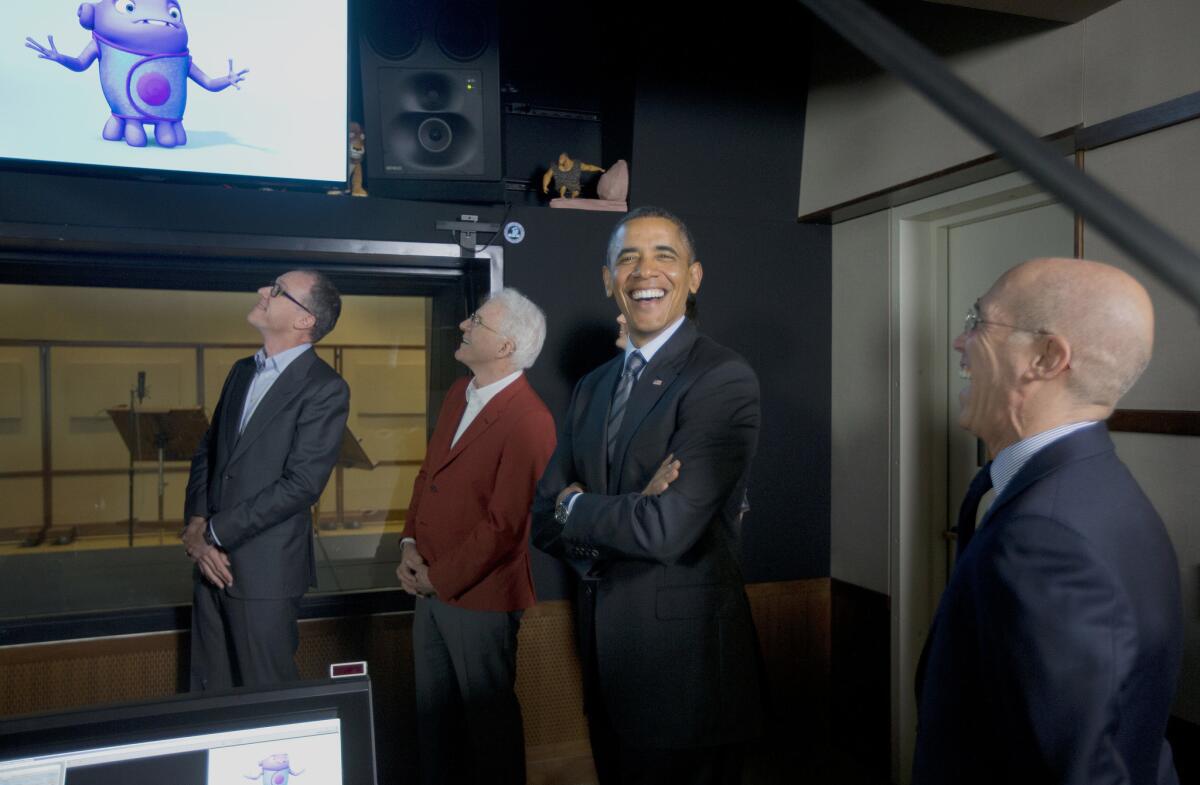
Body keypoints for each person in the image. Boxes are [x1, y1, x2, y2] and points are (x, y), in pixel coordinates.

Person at [913, 257, 1183, 784]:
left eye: (978, 322)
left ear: (1046, 357)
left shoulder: (1045, 539)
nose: (959, 342)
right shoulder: (1101, 488)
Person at [532, 206, 764, 785]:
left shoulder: (721, 378)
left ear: (694, 276)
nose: (645, 270)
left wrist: (577, 507)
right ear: (608, 280)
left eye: (665, 255)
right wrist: (614, 506)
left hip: (685, 679)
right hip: (605, 664)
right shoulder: (593, 387)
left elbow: (667, 529)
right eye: (627, 258)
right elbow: (541, 515)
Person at [397, 288, 556, 785]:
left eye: (477, 322)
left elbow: (506, 527)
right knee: (433, 722)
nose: (464, 326)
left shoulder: (532, 420)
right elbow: (429, 476)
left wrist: (435, 579)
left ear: (506, 347)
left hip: (480, 597)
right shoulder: (456, 394)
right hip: (430, 586)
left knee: (489, 734)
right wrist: (407, 547)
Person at [183, 269, 349, 690]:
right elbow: (209, 450)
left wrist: (216, 532)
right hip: (209, 567)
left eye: (277, 291)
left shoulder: (325, 387)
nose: (262, 291)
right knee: (209, 692)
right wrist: (197, 524)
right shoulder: (242, 371)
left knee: (267, 695)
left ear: (304, 320)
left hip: (266, 573)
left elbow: (302, 485)